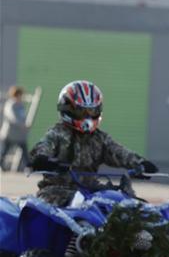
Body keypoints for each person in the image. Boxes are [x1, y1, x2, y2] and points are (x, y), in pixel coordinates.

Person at [29, 80, 157, 206]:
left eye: (92, 111)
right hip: (57, 191)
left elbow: (119, 152)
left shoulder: (100, 138)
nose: (87, 117)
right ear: (66, 109)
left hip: (90, 190)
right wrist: (42, 159)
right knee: (58, 201)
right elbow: (42, 147)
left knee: (127, 203)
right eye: (81, 111)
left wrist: (140, 163)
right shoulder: (57, 133)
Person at [0, 86, 29, 172]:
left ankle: (29, 167)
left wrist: (25, 125)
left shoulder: (21, 105)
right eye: (20, 95)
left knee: (24, 152)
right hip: (10, 133)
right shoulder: (10, 104)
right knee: (5, 151)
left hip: (20, 135)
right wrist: (21, 125)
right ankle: (1, 166)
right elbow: (12, 117)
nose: (21, 97)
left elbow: (23, 117)